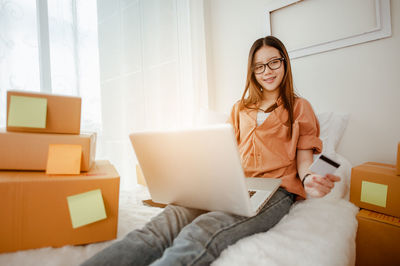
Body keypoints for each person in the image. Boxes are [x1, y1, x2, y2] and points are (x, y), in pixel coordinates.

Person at [81, 36, 340, 266]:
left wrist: (309, 179)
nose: (267, 71)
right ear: (252, 71)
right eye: (259, 66)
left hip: (274, 190)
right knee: (158, 228)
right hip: (231, 184)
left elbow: (304, 160)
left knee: (202, 231)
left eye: (274, 62)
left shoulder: (299, 106)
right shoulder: (240, 108)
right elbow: (220, 154)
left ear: (284, 63)